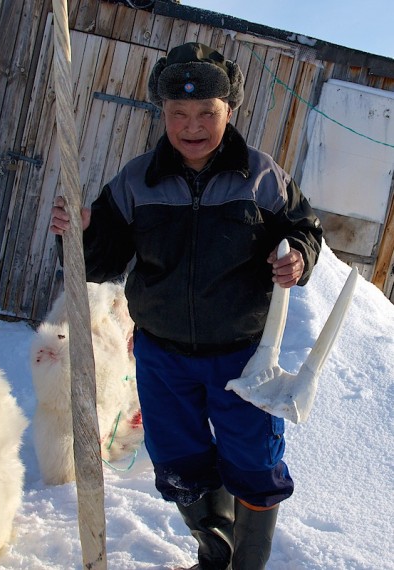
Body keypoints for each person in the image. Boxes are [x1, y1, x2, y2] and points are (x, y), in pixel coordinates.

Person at [50, 42, 323, 570]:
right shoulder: (135, 181)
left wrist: (300, 260)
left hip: (244, 357)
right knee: (179, 461)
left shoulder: (262, 177)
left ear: (229, 110)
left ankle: (247, 562)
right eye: (178, 113)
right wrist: (82, 232)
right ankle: (213, 548)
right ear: (162, 114)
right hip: (162, 356)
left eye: (207, 113)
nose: (192, 126)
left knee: (253, 460)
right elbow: (101, 261)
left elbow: (303, 230)